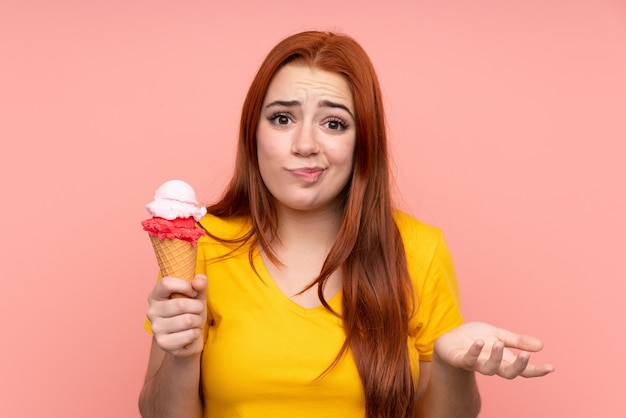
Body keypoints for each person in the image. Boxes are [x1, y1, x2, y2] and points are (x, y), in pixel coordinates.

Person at [138, 31, 554, 418]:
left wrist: (450, 367)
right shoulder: (202, 244)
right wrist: (181, 354)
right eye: (282, 118)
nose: (304, 145)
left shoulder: (419, 250)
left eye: (333, 123)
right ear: (253, 133)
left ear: (363, 141)